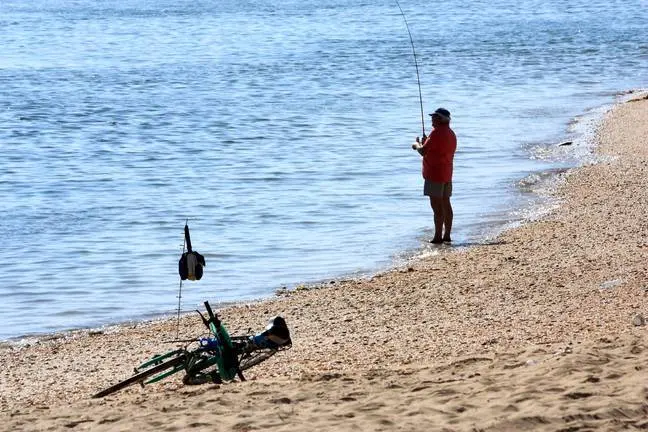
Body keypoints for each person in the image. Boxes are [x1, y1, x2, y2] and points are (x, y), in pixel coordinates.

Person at [412, 107, 457, 244]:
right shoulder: (451, 133)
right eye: (433, 117)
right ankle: (447, 235)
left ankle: (438, 237)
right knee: (446, 204)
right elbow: (437, 148)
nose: (432, 119)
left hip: (434, 174)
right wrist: (427, 142)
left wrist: (417, 144)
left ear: (442, 119)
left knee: (437, 207)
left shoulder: (436, 133)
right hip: (447, 174)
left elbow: (423, 151)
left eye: (435, 117)